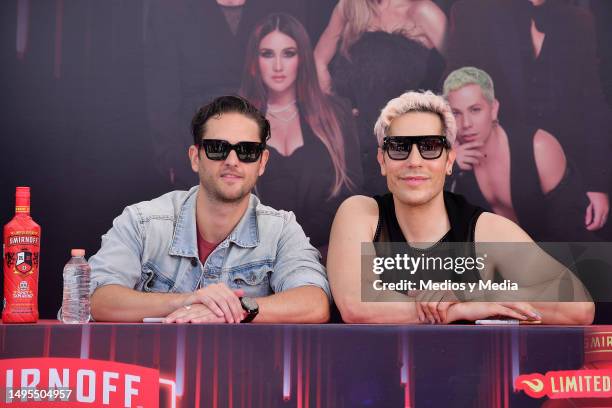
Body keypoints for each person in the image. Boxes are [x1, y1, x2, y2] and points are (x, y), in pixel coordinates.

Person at [326, 90, 594, 325]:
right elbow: (355, 305)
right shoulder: (361, 214)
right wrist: (455, 311)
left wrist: (471, 293)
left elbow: (578, 308)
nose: (414, 161)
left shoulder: (485, 230)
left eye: (430, 147)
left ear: (450, 160)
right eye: (399, 148)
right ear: (383, 161)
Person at [89, 95, 331, 323]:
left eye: (247, 151)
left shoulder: (280, 230)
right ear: (195, 158)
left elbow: (314, 302)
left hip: (243, 367)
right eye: (218, 148)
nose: (232, 161)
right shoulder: (142, 222)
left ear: (262, 162)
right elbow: (95, 299)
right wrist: (187, 301)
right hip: (151, 364)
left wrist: (235, 309)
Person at [445, 0, 611, 234]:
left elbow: (592, 107)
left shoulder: (577, 21)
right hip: (498, 164)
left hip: (567, 170)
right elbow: (453, 90)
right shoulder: (474, 10)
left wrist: (597, 183)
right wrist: (450, 149)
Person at [240, 13, 362, 250]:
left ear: (302, 58)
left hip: (325, 250)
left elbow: (350, 192)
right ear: (255, 61)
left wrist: (298, 243)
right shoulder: (236, 119)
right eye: (267, 54)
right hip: (253, 253)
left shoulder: (335, 114)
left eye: (288, 53)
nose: (278, 66)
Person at [444, 66, 596, 241]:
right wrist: (450, 168)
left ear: (493, 109)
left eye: (475, 109)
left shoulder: (539, 147)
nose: (466, 124)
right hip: (507, 262)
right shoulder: (453, 160)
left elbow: (570, 234)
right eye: (456, 113)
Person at [314, 0, 447, 195]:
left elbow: (462, 71)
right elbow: (317, 61)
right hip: (351, 150)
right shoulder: (350, 6)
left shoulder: (422, 11)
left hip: (402, 151)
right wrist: (334, 109)